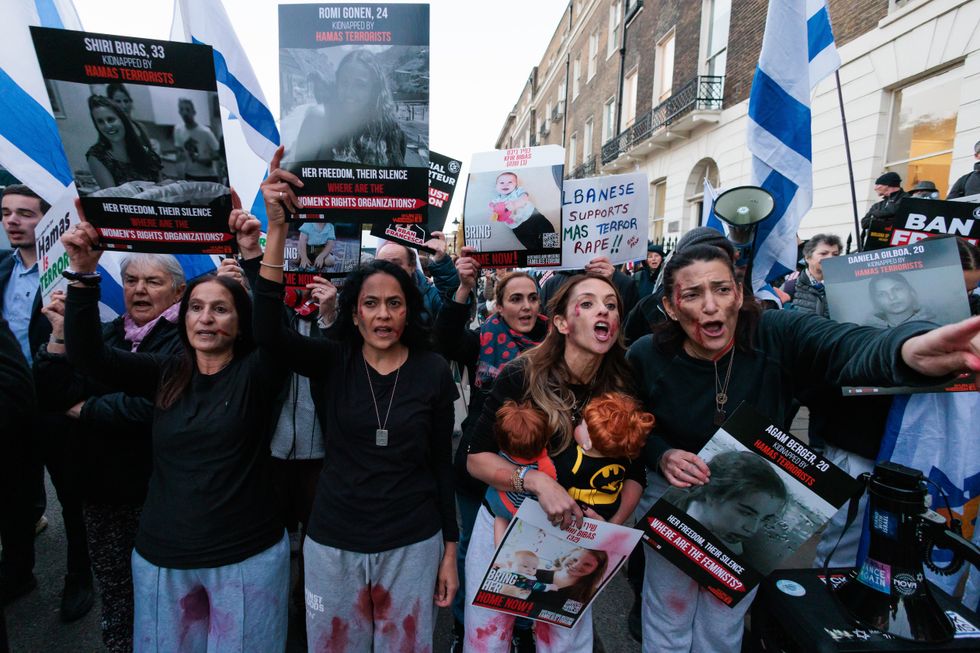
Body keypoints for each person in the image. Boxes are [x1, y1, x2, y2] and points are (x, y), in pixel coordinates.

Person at [628, 242, 980, 653]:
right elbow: (633, 428)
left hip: (752, 498)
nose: (710, 306)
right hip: (677, 500)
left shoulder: (775, 333)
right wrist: (662, 454)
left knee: (724, 615)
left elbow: (842, 344)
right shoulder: (646, 355)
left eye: (722, 289)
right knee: (669, 608)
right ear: (670, 306)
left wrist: (906, 350)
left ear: (739, 295)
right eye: (692, 294)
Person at [254, 147, 458, 651]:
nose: (383, 315)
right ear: (355, 314)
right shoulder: (331, 359)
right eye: (371, 304)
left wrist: (450, 550)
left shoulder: (431, 372)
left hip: (413, 542)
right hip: (334, 543)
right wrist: (276, 229)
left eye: (394, 303)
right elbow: (267, 334)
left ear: (409, 312)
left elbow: (440, 464)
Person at [60, 214, 291, 652]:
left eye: (221, 309)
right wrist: (84, 273)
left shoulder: (258, 375)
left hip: (245, 557)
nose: (206, 318)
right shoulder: (165, 371)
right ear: (183, 318)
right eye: (197, 308)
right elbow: (89, 357)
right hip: (163, 558)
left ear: (241, 324)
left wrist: (253, 251)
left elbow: (273, 333)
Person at [464, 271, 637, 653]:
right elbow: (476, 459)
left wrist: (610, 532)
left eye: (611, 304)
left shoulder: (624, 383)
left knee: (564, 642)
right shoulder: (521, 375)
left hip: (577, 539)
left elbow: (634, 471)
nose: (602, 311)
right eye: (588, 303)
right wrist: (537, 482)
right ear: (560, 322)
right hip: (507, 523)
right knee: (488, 637)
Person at [33, 254, 185, 652]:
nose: (139, 289)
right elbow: (53, 391)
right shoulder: (106, 332)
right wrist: (62, 336)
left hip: (156, 490)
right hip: (100, 487)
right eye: (131, 280)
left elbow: (159, 405)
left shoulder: (188, 337)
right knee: (117, 590)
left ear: (178, 291)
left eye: (152, 281)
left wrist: (89, 408)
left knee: (163, 594)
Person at [433, 256, 547, 652]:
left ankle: (519, 630)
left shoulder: (554, 345)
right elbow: (443, 338)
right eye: (516, 299)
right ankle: (466, 629)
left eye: (533, 298)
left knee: (528, 551)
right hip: (478, 467)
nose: (527, 307)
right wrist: (462, 288)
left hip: (537, 470)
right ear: (498, 306)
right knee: (475, 551)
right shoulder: (482, 338)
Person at [2, 184, 94, 620]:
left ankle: (80, 577)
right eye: (6, 213)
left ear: (48, 221)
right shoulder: (2, 269)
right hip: (10, 407)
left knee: (72, 497)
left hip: (54, 403)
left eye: (25, 214)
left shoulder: (65, 274)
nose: (13, 222)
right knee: (14, 495)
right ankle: (18, 572)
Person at [661, 451, 787, 570]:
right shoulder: (662, 506)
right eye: (746, 513)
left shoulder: (751, 557)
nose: (752, 529)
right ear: (712, 494)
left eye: (765, 519)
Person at [290, 49, 406, 166]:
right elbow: (299, 177)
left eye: (360, 85)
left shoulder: (391, 130)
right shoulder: (319, 119)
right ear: (337, 83)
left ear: (374, 89)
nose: (349, 92)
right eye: (344, 82)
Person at [375, 235, 459, 325]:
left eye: (396, 264)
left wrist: (442, 262)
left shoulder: (429, 296)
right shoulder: (365, 293)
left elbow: (453, 317)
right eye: (382, 264)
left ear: (412, 266)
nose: (389, 269)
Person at [85, 95, 162, 190]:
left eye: (111, 119)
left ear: (122, 120)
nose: (107, 126)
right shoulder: (97, 157)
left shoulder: (145, 151)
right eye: (100, 122)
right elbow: (113, 197)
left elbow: (161, 187)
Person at [488, 172, 555, 251]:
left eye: (510, 182)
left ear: (516, 185)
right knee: (530, 244)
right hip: (518, 226)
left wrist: (515, 204)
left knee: (549, 229)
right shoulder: (497, 201)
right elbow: (495, 211)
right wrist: (494, 211)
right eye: (501, 183)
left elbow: (524, 197)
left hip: (533, 216)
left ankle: (550, 250)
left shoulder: (518, 191)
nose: (505, 185)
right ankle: (539, 252)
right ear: (496, 187)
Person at [526, 547, 609, 610]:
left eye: (587, 564)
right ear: (567, 556)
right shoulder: (535, 574)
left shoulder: (587, 593)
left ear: (596, 570)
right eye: (574, 559)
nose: (576, 566)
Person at [791, 234, 842, 318]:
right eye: (823, 253)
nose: (830, 258)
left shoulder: (846, 285)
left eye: (835, 254)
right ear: (807, 257)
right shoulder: (790, 287)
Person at [174, 98, 221, 183]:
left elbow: (218, 154)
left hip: (208, 176)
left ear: (193, 112)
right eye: (182, 109)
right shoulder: (178, 130)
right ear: (179, 112)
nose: (185, 113)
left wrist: (203, 160)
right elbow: (179, 151)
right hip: (189, 175)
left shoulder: (205, 132)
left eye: (188, 109)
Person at [105, 83, 158, 155]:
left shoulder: (140, 127)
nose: (124, 106)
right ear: (110, 104)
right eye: (118, 101)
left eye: (126, 101)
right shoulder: (112, 130)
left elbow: (150, 153)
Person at [865, 272, 935, 327]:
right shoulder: (868, 333)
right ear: (876, 301)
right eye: (882, 294)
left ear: (911, 291)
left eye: (897, 289)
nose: (892, 297)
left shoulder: (938, 324)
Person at [860, 171, 908, 250]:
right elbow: (864, 223)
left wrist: (875, 216)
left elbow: (893, 212)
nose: (875, 188)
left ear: (888, 185)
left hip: (899, 247)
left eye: (878, 185)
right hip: (876, 247)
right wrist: (880, 217)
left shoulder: (907, 199)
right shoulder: (878, 205)